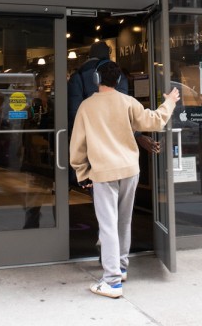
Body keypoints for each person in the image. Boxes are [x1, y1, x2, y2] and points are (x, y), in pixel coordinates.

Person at [70, 60, 179, 299]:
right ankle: (120, 267)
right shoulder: (128, 102)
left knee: (108, 225)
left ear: (96, 80)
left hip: (104, 173)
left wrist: (82, 173)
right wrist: (170, 101)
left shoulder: (86, 107)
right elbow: (155, 121)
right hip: (130, 170)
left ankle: (111, 281)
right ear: (118, 81)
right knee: (123, 221)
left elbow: (77, 147)